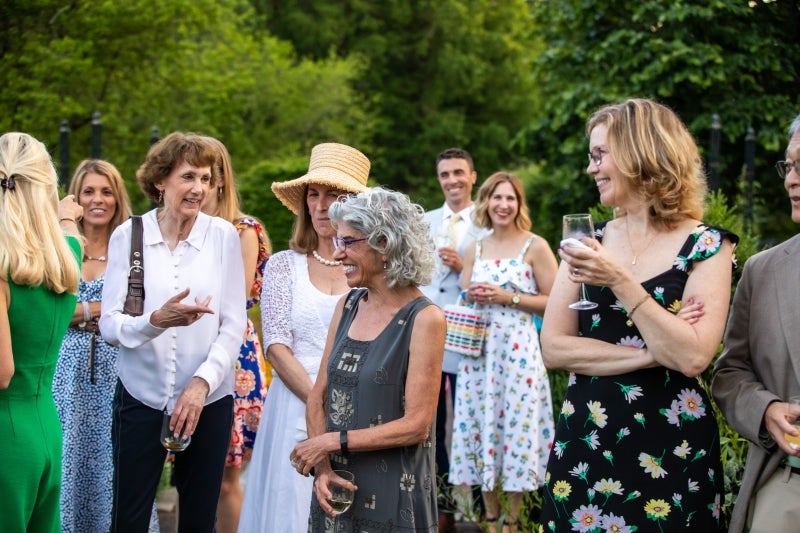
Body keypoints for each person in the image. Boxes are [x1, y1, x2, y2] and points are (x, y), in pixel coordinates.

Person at [538, 98, 738, 532]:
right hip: (587, 439)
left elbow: (691, 358)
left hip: (673, 447)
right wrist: (652, 353)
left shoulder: (707, 247)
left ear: (640, 153)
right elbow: (553, 348)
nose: (591, 169)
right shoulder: (588, 240)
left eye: (599, 155)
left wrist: (619, 281)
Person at [99, 132, 247, 532]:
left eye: (204, 178)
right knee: (128, 518)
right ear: (160, 181)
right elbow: (109, 324)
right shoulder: (128, 236)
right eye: (188, 177)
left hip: (208, 400)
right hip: (140, 395)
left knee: (198, 519)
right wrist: (154, 322)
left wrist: (201, 384)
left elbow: (234, 323)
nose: (198, 188)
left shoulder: (223, 237)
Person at [290, 186, 445, 532]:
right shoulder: (346, 306)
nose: (337, 252)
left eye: (348, 242)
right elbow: (319, 396)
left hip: (395, 495)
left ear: (385, 243)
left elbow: (417, 424)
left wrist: (330, 441)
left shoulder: (425, 318)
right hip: (338, 492)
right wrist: (324, 469)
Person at [237, 142, 369, 533]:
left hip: (358, 409)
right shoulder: (283, 266)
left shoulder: (369, 270)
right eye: (315, 193)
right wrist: (319, 403)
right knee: (290, 511)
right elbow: (275, 346)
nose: (322, 204)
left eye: (335, 195)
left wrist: (341, 409)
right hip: (295, 402)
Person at [53, 160, 162, 533]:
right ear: (76, 198)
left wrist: (79, 312)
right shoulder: (59, 247)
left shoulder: (133, 248)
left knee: (115, 462)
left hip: (119, 368)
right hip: (63, 372)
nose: (98, 200)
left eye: (106, 191)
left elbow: (140, 307)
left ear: (118, 197)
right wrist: (98, 311)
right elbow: (49, 311)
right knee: (67, 460)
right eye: (88, 191)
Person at [449, 171, 557, 533]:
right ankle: (491, 519)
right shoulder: (474, 247)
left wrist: (506, 296)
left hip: (518, 354)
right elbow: (464, 293)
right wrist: (475, 295)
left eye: (510, 198)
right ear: (486, 202)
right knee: (482, 429)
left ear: (519, 204)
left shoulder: (535, 245)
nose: (503, 205)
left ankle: (515, 520)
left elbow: (554, 302)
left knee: (517, 430)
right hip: (479, 354)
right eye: (497, 197)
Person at [711, 114, 800, 533]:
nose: (790, 180)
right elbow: (729, 373)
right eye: (789, 166)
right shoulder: (762, 271)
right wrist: (767, 410)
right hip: (787, 487)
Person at [0, 132, 83, 532]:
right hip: (47, 429)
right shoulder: (69, 257)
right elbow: (69, 229)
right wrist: (67, 215)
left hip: (5, 434)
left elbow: (2, 371)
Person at [200, 137, 272, 533]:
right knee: (189, 473)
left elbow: (238, 296)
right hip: (186, 349)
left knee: (227, 476)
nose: (199, 186)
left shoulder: (242, 229)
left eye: (206, 176)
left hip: (231, 355)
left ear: (221, 180)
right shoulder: (179, 229)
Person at [420, 147, 487, 532]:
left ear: (473, 176)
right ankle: (442, 510)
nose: (452, 181)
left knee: (470, 424)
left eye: (459, 173)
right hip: (431, 336)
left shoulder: (489, 219)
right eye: (445, 174)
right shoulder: (426, 221)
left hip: (472, 341)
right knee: (431, 428)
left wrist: (466, 268)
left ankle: (479, 509)